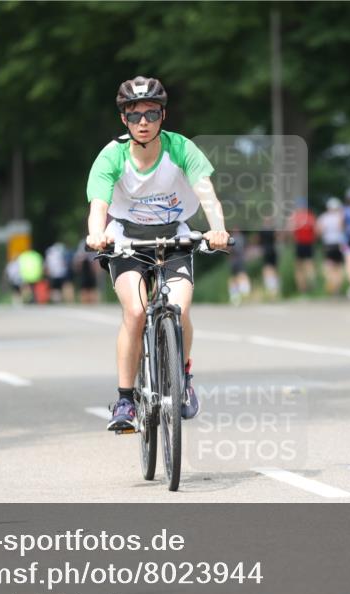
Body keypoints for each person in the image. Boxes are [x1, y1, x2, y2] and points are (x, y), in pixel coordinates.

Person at [84, 75, 229, 432]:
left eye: (151, 114)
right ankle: (124, 399)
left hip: (174, 237)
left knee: (178, 308)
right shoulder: (112, 155)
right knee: (135, 312)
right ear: (124, 120)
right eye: (135, 116)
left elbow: (206, 192)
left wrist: (218, 228)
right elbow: (98, 204)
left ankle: (182, 378)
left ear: (163, 115)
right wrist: (95, 234)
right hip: (126, 240)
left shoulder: (181, 148)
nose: (143, 122)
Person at [317, 197, 347, 296]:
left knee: (329, 266)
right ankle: (337, 288)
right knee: (339, 267)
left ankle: (331, 284)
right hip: (339, 244)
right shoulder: (341, 216)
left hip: (328, 244)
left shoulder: (323, 217)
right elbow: (343, 229)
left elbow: (319, 231)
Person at [288, 197, 317, 294]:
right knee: (309, 265)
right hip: (309, 243)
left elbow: (290, 230)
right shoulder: (310, 216)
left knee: (299, 268)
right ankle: (312, 285)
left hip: (299, 243)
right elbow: (316, 230)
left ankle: (302, 289)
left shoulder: (295, 216)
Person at [227, 228, 251, 306]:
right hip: (235, 261)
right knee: (236, 277)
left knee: (240, 276)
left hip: (238, 260)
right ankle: (237, 295)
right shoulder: (236, 238)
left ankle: (241, 294)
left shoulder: (238, 238)